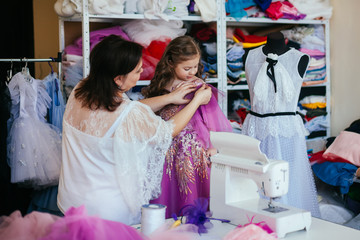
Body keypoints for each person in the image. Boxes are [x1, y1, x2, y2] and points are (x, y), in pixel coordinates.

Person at [57, 34, 212, 225]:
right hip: (107, 213)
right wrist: (196, 101)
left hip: (72, 201)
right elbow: (167, 130)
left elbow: (132, 109)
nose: (141, 74)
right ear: (118, 79)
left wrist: (169, 98)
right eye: (137, 71)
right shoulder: (127, 114)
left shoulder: (80, 91)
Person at [142, 35, 233, 218]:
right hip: (166, 151)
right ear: (170, 63)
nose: (192, 72)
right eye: (186, 68)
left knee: (190, 193)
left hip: (192, 152)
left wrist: (214, 145)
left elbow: (212, 117)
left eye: (195, 67)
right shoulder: (162, 85)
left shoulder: (198, 86)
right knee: (169, 193)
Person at [242, 31, 321, 217]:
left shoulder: (300, 58)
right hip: (256, 127)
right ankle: (258, 218)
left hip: (286, 129)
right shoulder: (251, 55)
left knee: (290, 178)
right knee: (255, 176)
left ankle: (290, 218)